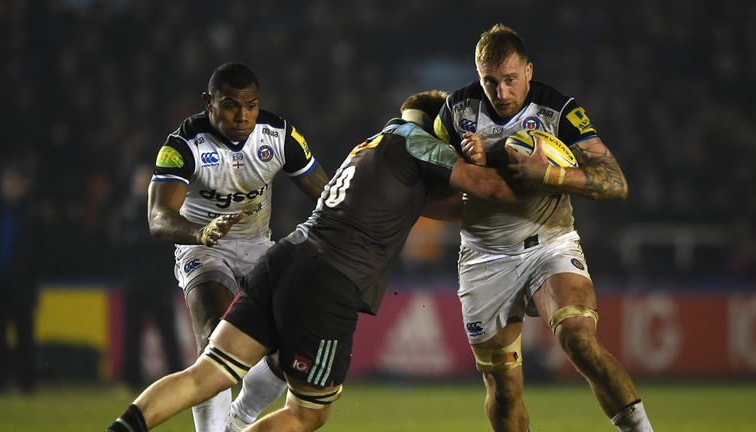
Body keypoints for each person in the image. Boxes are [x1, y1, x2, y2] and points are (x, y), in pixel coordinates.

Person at [105, 90, 520, 432]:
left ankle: (122, 428)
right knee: (308, 412)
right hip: (331, 283)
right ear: (438, 129)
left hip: (286, 257)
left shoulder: (373, 149)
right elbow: (490, 188)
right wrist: (541, 176)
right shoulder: (418, 143)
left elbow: (451, 208)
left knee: (207, 373)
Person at [433, 24, 653, 431]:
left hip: (548, 243)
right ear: (479, 75)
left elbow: (614, 182)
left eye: (510, 80)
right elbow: (431, 179)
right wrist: (465, 165)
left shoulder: (558, 111)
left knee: (578, 337)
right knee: (503, 388)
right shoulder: (457, 110)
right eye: (490, 82)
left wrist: (550, 175)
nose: (500, 93)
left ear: (529, 72)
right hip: (484, 256)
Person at [147, 62, 329, 432]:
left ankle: (238, 420)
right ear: (207, 102)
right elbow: (158, 217)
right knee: (214, 335)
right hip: (202, 248)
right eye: (231, 105)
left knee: (290, 348)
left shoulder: (278, 135)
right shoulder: (183, 145)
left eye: (251, 105)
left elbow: (328, 197)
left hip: (257, 246)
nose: (243, 115)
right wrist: (199, 233)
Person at [114, 164, 183, 390]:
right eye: (141, 180)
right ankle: (129, 379)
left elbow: (168, 240)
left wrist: (139, 241)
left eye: (147, 180)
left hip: (159, 283)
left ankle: (177, 377)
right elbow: (118, 241)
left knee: (169, 335)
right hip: (135, 284)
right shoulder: (128, 209)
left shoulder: (160, 208)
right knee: (132, 335)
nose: (144, 184)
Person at [0, 161, 42, 394]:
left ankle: (25, 382)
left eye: (15, 183)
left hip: (22, 286)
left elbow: (41, 254)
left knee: (24, 336)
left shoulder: (32, 216)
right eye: (7, 182)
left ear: (23, 186)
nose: (10, 187)